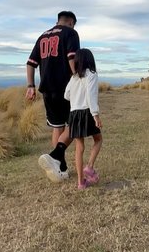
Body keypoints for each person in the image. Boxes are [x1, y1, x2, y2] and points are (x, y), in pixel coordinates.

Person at [26, 11, 80, 182]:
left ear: (58, 21)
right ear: (71, 22)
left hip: (47, 89)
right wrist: (79, 79)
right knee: (76, 123)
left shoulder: (42, 36)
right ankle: (55, 156)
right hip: (65, 88)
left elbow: (30, 63)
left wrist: (30, 86)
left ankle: (60, 168)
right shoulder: (71, 33)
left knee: (57, 126)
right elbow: (72, 58)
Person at [64, 48, 103, 190]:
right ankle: (90, 167)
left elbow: (66, 95)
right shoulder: (91, 74)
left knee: (79, 148)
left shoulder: (73, 77)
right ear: (90, 60)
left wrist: (76, 96)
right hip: (86, 112)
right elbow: (91, 96)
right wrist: (96, 115)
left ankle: (81, 183)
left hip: (74, 114)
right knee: (98, 139)